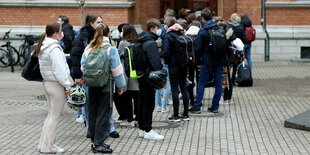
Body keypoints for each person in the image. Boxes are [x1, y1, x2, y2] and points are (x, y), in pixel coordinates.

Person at [70, 13, 119, 138]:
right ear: (91, 23)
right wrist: (77, 75)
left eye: (101, 21)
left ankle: (110, 128)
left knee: (107, 103)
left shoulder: (105, 36)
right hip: (89, 76)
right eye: (98, 22)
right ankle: (90, 129)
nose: (101, 24)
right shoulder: (83, 37)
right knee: (89, 105)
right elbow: (76, 56)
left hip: (104, 75)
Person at [81, 23, 125, 153]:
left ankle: (95, 140)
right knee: (104, 113)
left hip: (91, 85)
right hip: (106, 84)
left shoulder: (89, 47)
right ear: (108, 34)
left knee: (93, 112)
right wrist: (120, 86)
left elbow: (83, 67)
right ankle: (99, 143)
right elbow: (117, 70)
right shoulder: (110, 49)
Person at [35, 22, 74, 153]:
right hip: (56, 84)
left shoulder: (44, 46)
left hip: (47, 83)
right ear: (56, 33)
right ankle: (47, 147)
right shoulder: (54, 49)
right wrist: (67, 85)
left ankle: (46, 145)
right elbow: (60, 71)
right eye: (61, 30)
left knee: (51, 116)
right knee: (54, 117)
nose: (62, 33)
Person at [188, 8, 227, 114]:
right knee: (218, 83)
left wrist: (197, 62)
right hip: (219, 60)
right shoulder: (219, 28)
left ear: (203, 18)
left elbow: (198, 48)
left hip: (207, 61)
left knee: (201, 83)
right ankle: (215, 106)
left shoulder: (203, 30)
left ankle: (197, 106)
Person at [137, 19, 164, 140]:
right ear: (153, 28)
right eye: (158, 28)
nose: (160, 30)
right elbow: (156, 63)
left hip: (141, 75)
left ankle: (142, 129)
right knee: (148, 104)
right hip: (149, 77)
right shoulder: (151, 43)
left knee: (142, 102)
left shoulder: (140, 40)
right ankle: (148, 130)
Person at [163, 17, 190, 122]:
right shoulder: (182, 34)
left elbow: (166, 52)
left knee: (174, 89)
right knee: (184, 88)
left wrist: (167, 61)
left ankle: (176, 115)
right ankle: (186, 114)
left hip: (173, 65)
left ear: (168, 26)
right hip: (183, 65)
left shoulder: (168, 36)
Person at [117, 25, 140, 126]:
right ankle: (138, 118)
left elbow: (117, 56)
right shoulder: (138, 41)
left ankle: (130, 120)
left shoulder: (123, 43)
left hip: (126, 72)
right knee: (137, 97)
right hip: (136, 72)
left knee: (127, 97)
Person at [185, 20, 202, 106]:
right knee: (200, 81)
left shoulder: (186, 35)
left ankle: (191, 99)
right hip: (199, 61)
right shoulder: (200, 35)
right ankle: (198, 100)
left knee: (190, 80)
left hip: (189, 62)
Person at [228, 13, 247, 85]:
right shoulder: (241, 27)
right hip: (238, 49)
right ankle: (233, 80)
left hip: (230, 47)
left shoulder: (229, 26)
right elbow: (245, 38)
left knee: (228, 64)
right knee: (236, 64)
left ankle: (228, 80)